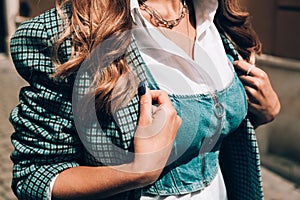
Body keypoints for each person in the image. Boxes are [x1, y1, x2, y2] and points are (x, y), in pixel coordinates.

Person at [9, 0, 280, 199]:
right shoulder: (69, 32)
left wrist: (259, 115)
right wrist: (136, 170)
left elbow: (208, 133)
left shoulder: (217, 14)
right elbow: (35, 177)